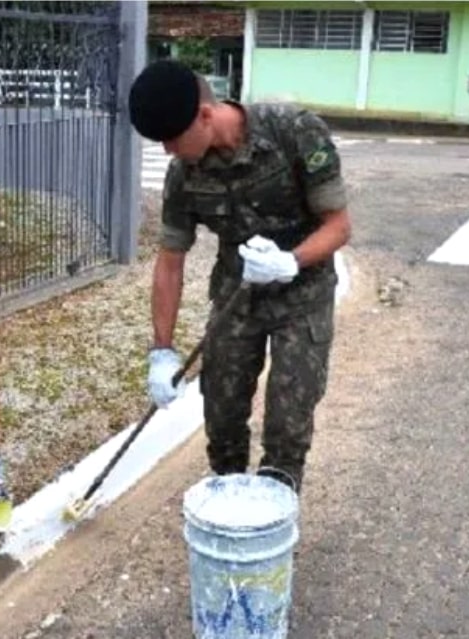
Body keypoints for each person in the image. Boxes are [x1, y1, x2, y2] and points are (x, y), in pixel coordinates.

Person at [128, 59, 352, 495]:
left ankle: (273, 516)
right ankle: (229, 506)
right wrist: (161, 351)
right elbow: (170, 262)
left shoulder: (293, 132)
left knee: (288, 420)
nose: (168, 151)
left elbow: (339, 226)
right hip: (237, 292)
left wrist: (290, 260)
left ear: (206, 115)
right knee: (223, 413)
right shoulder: (184, 176)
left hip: (302, 289)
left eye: (173, 139)